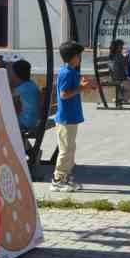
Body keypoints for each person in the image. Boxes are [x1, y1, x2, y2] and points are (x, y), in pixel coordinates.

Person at [50, 40, 86, 193]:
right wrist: (80, 88)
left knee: (70, 148)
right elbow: (64, 95)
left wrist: (83, 87)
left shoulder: (71, 71)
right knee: (65, 150)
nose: (80, 59)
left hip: (71, 117)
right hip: (66, 118)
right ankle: (58, 180)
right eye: (79, 56)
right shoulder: (66, 72)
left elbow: (73, 90)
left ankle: (66, 177)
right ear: (73, 57)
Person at [9, 58, 42, 133]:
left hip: (25, 122)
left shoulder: (20, 89)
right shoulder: (32, 84)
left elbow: (8, 101)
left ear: (16, 74)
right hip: (34, 120)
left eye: (12, 72)